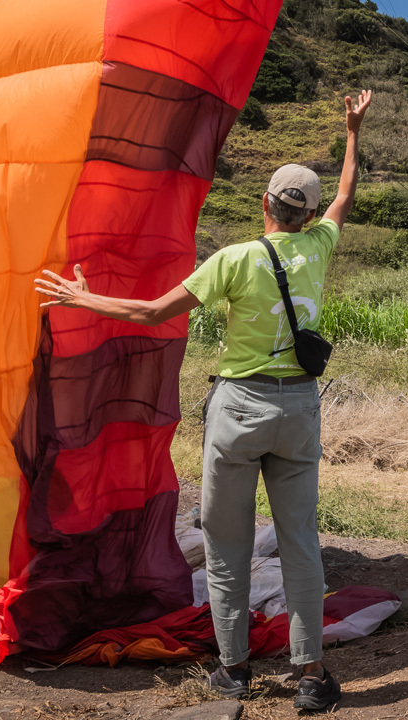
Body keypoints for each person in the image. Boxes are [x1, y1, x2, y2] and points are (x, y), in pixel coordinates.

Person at [35, 89, 373, 711]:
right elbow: (348, 194)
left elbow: (153, 310)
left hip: (239, 409)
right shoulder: (320, 248)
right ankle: (310, 675)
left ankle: (234, 669)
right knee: (300, 542)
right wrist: (353, 132)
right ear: (310, 214)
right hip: (299, 410)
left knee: (226, 543)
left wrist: (81, 299)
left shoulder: (235, 260)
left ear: (265, 204)